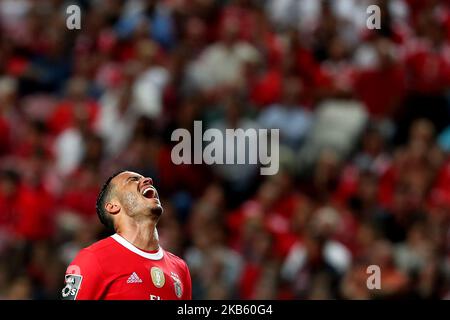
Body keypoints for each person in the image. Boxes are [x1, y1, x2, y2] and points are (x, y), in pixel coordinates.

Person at [61, 170, 192, 300]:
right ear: (113, 206)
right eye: (133, 180)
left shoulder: (180, 268)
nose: (148, 180)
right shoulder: (93, 258)